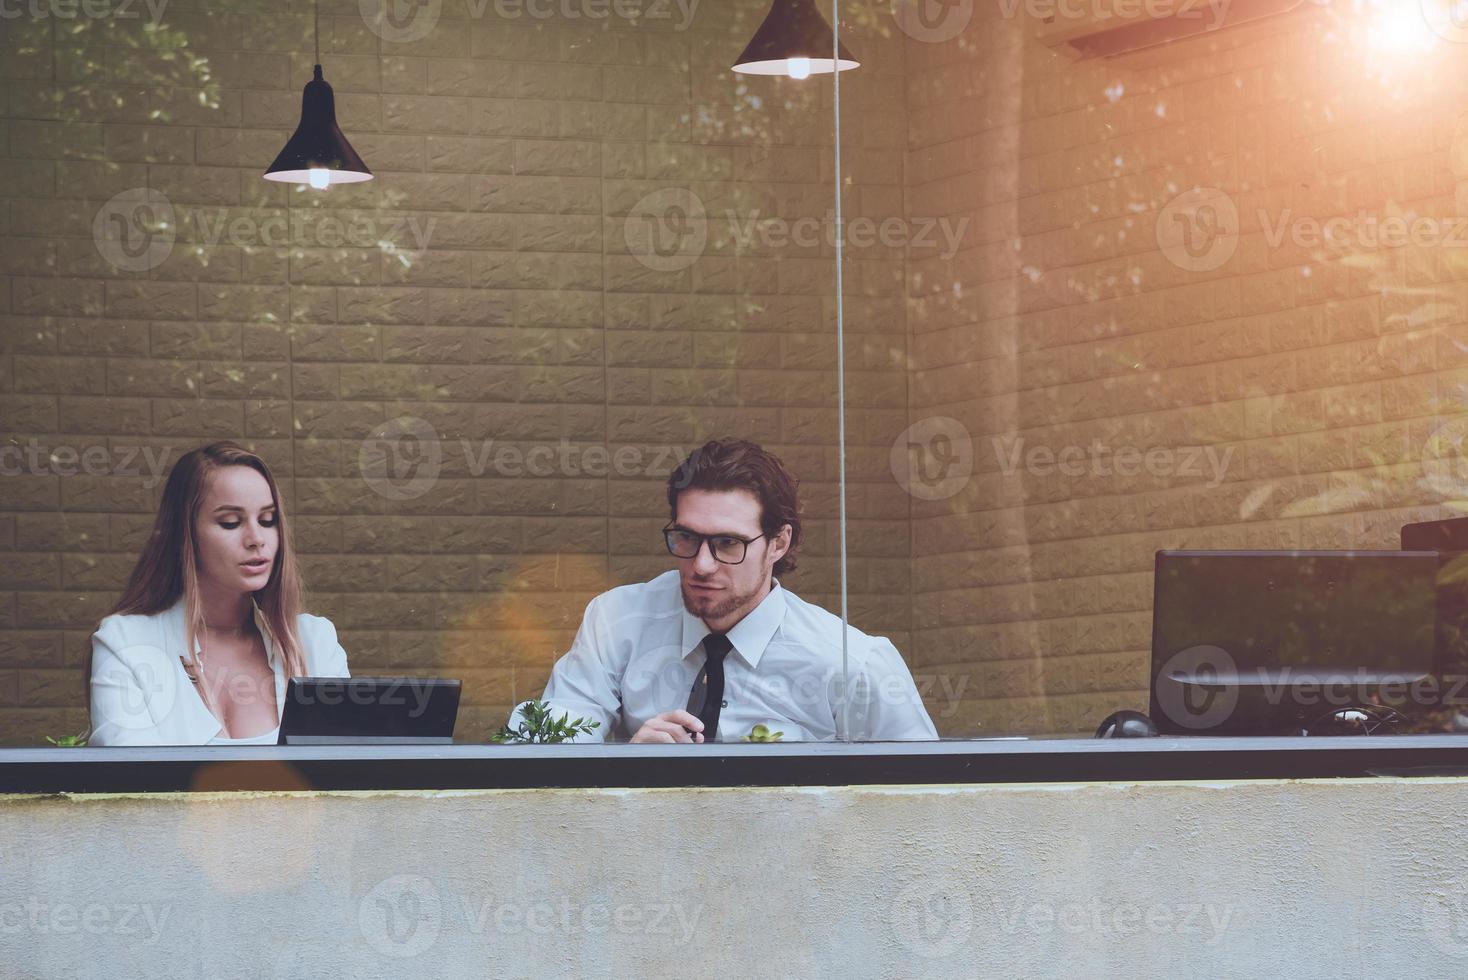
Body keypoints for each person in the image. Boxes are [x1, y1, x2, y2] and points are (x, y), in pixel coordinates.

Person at [513, 439, 937, 742]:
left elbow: (920, 809)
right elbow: (543, 751)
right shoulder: (618, 621)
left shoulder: (851, 663)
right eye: (686, 538)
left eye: (727, 543)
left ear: (779, 543)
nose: (701, 564)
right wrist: (628, 768)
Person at [88, 442, 350, 745]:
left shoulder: (314, 641)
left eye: (268, 520)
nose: (257, 539)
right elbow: (128, 782)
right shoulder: (126, 643)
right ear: (185, 534)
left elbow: (340, 778)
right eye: (230, 523)